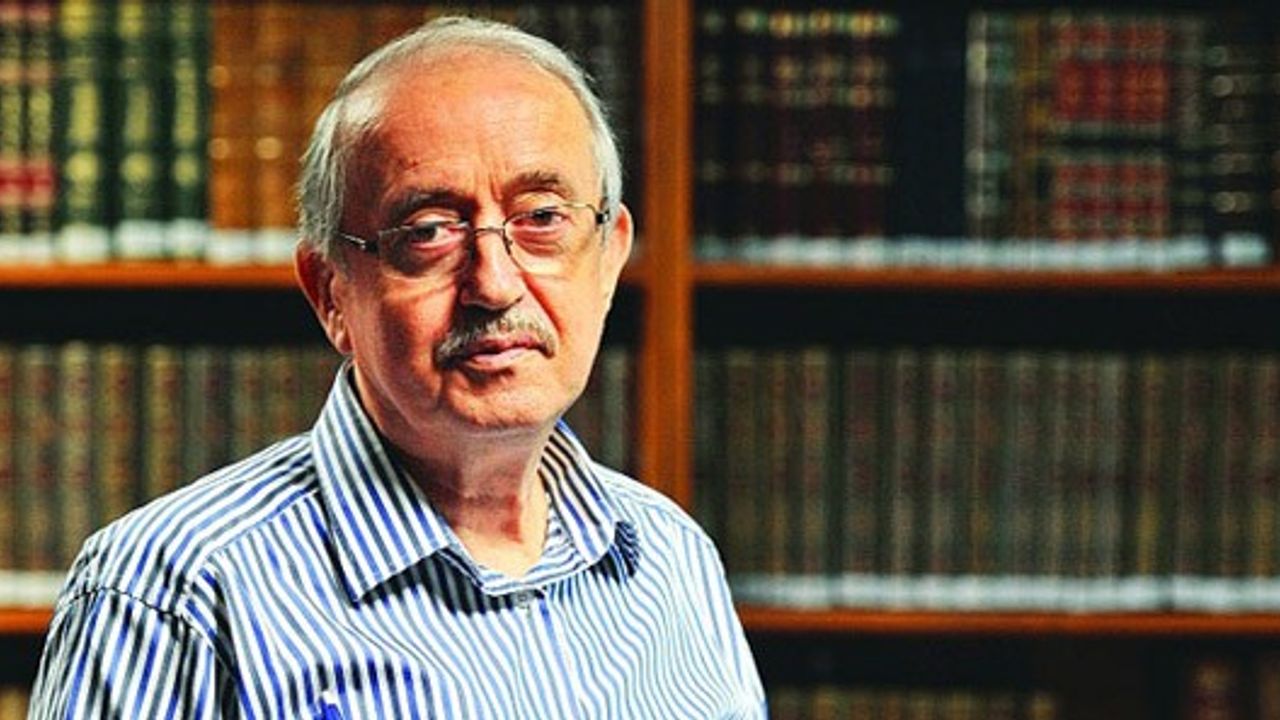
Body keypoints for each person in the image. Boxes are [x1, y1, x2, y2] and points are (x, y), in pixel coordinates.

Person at [28, 15, 764, 719]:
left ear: (608, 257)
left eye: (542, 218)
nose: (495, 284)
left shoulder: (671, 559)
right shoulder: (172, 594)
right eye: (430, 231)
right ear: (331, 293)